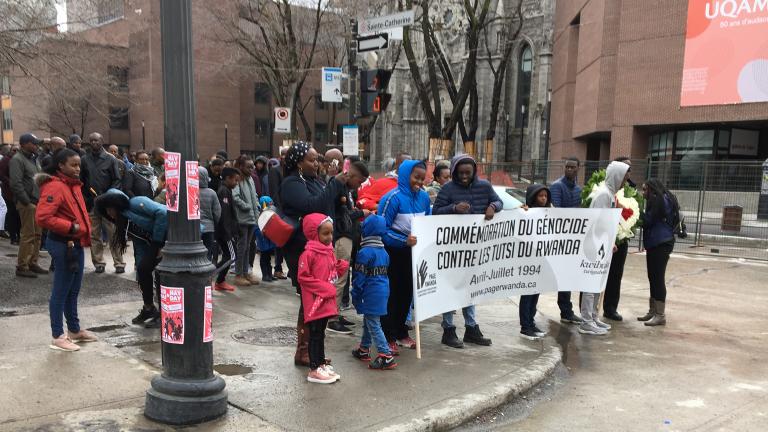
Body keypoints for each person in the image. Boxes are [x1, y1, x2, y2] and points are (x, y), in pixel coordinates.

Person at [280, 142, 348, 367]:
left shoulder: (314, 181)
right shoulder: (291, 183)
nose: (317, 163)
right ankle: (303, 350)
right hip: (303, 250)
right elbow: (312, 207)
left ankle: (312, 350)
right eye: (311, 160)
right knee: (309, 300)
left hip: (321, 249)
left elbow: (326, 207)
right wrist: (333, 185)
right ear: (299, 163)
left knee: (318, 301)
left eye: (317, 159)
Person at [432, 154, 499, 348]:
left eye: (467, 173)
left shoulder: (485, 186)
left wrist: (493, 207)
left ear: (474, 172)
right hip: (452, 249)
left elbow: (498, 202)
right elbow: (435, 212)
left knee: (471, 287)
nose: (464, 176)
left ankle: (471, 329)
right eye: (460, 173)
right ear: (453, 172)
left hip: (476, 247)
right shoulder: (447, 188)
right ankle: (448, 329)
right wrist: (453, 208)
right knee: (451, 288)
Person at [35, 149, 97, 351]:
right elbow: (43, 218)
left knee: (73, 290)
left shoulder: (72, 185)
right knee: (61, 291)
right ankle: (57, 335)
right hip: (63, 245)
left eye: (79, 165)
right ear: (61, 165)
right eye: (73, 165)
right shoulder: (54, 186)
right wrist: (71, 227)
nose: (77, 168)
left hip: (75, 244)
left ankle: (74, 330)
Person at [95, 189, 168, 328]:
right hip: (155, 243)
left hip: (169, 238)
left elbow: (163, 213)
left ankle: (165, 314)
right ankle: (149, 308)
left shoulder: (137, 202)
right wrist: (141, 266)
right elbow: (139, 242)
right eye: (107, 210)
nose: (109, 213)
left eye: (111, 209)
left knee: (160, 274)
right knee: (143, 270)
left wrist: (157, 245)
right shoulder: (123, 222)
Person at [379, 160, 431, 354]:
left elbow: (428, 222)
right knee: (391, 296)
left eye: (422, 178)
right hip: (393, 254)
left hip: (413, 254)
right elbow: (381, 229)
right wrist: (403, 241)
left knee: (407, 295)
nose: (418, 181)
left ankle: (401, 333)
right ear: (405, 175)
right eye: (415, 177)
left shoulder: (424, 198)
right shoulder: (392, 199)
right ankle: (388, 335)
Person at [580, 160, 631, 336]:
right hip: (594, 245)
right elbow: (596, 222)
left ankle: (593, 316)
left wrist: (611, 242)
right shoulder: (603, 195)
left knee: (598, 283)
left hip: (602, 245)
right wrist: (604, 242)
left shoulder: (609, 194)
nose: (625, 181)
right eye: (624, 177)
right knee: (591, 282)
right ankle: (586, 320)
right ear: (617, 176)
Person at [298, 213, 349, 384]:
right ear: (314, 233)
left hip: (325, 301)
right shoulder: (308, 254)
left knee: (321, 333)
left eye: (331, 233)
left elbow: (330, 274)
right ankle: (314, 368)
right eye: (325, 233)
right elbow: (303, 278)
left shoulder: (328, 252)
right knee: (315, 334)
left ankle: (320, 363)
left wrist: (339, 268)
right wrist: (324, 288)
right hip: (314, 302)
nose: (329, 237)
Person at [327, 160, 369, 334]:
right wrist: (361, 213)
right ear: (351, 175)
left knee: (342, 278)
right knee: (338, 279)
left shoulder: (348, 189)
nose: (359, 185)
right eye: (359, 181)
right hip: (341, 236)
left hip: (347, 235)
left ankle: (335, 313)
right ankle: (331, 318)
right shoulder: (337, 186)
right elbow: (341, 214)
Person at [351, 214, 397, 370]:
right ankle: (364, 348)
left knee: (374, 324)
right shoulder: (384, 253)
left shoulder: (364, 253)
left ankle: (386, 355)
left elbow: (359, 278)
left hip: (370, 293)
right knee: (369, 320)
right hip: (383, 291)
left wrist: (355, 295)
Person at [81, 132, 125, 274]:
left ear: (102, 141)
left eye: (97, 140)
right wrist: (87, 197)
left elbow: (117, 180)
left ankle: (119, 263)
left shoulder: (110, 158)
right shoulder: (84, 159)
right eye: (91, 140)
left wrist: (109, 195)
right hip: (92, 203)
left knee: (113, 233)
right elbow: (82, 180)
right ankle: (98, 262)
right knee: (95, 234)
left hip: (108, 203)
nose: (94, 143)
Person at [548, 157, 585, 325]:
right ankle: (565, 310)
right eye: (567, 167)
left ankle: (567, 311)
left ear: (578, 168)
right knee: (562, 277)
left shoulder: (578, 189)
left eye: (573, 167)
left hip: (573, 239)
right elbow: (556, 211)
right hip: (559, 239)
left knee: (568, 276)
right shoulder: (557, 186)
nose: (569, 170)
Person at [638, 179, 676, 326]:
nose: (643, 193)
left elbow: (648, 221)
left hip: (661, 243)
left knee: (657, 278)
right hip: (656, 243)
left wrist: (634, 212)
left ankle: (660, 314)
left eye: (645, 189)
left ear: (652, 190)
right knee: (652, 276)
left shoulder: (660, 201)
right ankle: (653, 310)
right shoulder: (660, 199)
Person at [9, 133, 47, 278]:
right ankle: (22, 266)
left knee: (37, 235)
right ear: (24, 144)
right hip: (27, 204)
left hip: (37, 202)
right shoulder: (17, 159)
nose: (37, 145)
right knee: (28, 235)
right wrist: (27, 201)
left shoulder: (33, 159)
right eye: (34, 143)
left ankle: (32, 262)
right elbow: (15, 183)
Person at [603, 157, 634, 321]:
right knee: (597, 273)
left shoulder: (631, 189)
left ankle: (610, 307)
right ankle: (589, 312)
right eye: (626, 168)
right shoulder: (604, 189)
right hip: (605, 239)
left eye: (630, 169)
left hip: (621, 238)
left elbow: (633, 211)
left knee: (616, 275)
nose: (629, 172)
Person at [519, 184, 552, 340]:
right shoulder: (525, 212)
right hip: (528, 260)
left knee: (535, 293)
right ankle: (525, 326)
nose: (544, 199)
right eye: (540, 196)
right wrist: (521, 212)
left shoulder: (548, 212)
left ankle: (531, 322)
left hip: (541, 260)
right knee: (527, 293)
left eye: (545, 196)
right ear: (533, 197)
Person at [232, 155, 260, 286]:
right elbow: (235, 196)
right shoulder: (238, 180)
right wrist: (247, 206)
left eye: (252, 166)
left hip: (252, 218)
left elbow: (254, 195)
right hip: (243, 219)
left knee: (248, 247)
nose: (251, 169)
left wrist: (257, 206)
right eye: (248, 167)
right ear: (241, 166)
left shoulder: (250, 179)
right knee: (242, 247)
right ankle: (238, 274)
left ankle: (246, 272)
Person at [213, 167, 240, 292]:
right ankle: (210, 276)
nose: (236, 183)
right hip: (225, 232)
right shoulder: (223, 191)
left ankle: (220, 281)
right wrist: (228, 233)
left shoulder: (227, 190)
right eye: (235, 180)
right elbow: (223, 215)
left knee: (229, 255)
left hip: (227, 231)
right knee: (231, 256)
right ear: (228, 178)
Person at [267, 147, 288, 280]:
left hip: (291, 210)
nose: (286, 157)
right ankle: (278, 268)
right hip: (281, 210)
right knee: (279, 242)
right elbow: (274, 192)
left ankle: (290, 269)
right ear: (280, 156)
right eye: (284, 155)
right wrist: (281, 210)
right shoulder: (275, 171)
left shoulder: (292, 171)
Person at [198, 167, 221, 262]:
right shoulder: (212, 193)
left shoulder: (190, 192)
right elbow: (217, 212)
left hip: (194, 229)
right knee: (208, 252)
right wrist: (214, 223)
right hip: (209, 228)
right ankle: (206, 274)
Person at [0, 144, 21, 245]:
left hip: (19, 192)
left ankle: (19, 235)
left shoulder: (19, 160)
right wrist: (12, 183)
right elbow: (2, 175)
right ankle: (13, 237)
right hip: (9, 192)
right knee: (12, 214)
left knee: (18, 215)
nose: (16, 152)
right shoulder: (5, 160)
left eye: (18, 150)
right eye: (14, 150)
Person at [255, 196, 278, 282]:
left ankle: (269, 274)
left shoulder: (270, 215)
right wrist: (261, 233)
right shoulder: (259, 216)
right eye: (269, 204)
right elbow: (256, 229)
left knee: (268, 259)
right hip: (263, 241)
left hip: (269, 241)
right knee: (264, 258)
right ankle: (265, 275)